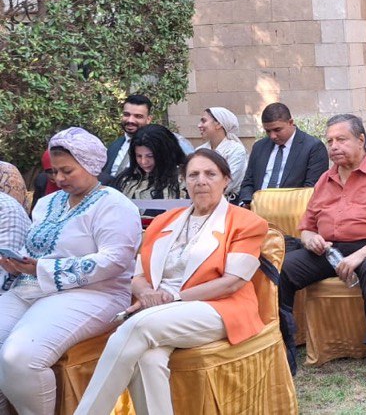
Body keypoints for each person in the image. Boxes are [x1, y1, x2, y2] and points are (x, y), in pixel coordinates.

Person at [75, 149, 268, 415]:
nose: (201, 180)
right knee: (147, 358)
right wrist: (147, 295)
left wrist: (170, 298)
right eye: (193, 175)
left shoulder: (246, 222)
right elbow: (138, 276)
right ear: (184, 181)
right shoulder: (163, 222)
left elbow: (231, 283)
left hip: (218, 307)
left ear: (226, 179)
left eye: (210, 174)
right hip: (160, 312)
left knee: (134, 328)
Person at [0, 128, 141, 414]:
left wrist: (44, 268)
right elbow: (38, 248)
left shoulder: (115, 205)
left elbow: (114, 260)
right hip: (34, 286)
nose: (59, 179)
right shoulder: (47, 203)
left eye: (67, 171)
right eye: (54, 172)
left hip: (96, 292)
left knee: (21, 356)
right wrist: (19, 264)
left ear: (90, 165)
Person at [279, 114, 366, 387]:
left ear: (360, 140)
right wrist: (310, 239)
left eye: (341, 139)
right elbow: (307, 226)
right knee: (283, 269)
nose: (333, 146)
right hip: (331, 248)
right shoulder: (326, 178)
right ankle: (285, 344)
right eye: (330, 140)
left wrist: (362, 254)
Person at [238, 102, 329, 206]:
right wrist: (245, 203)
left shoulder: (313, 147)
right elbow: (248, 182)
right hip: (257, 210)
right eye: (268, 131)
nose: (272, 136)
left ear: (290, 122)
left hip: (292, 212)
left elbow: (312, 189)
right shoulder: (259, 147)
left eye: (277, 130)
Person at [110, 124, 186, 200]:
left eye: (150, 156)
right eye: (139, 156)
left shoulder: (183, 179)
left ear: (165, 154)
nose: (143, 162)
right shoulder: (125, 180)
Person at [195, 107, 249, 199]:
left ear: (218, 124)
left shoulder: (236, 150)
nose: (199, 125)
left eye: (204, 121)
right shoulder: (199, 150)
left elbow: (227, 183)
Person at [102, 94, 155, 181]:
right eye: (126, 114)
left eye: (138, 116)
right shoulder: (114, 146)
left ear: (148, 119)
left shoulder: (157, 146)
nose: (130, 120)